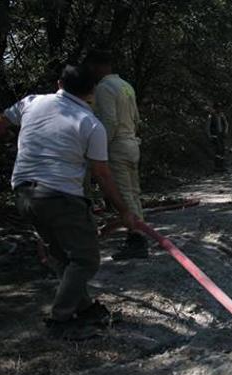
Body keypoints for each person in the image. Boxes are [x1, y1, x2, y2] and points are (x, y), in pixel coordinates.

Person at [0, 65, 139, 339]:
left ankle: (83, 306)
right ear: (92, 92)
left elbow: (2, 121)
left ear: (59, 83)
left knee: (61, 254)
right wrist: (125, 211)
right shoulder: (89, 123)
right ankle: (61, 317)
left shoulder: (32, 102)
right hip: (60, 197)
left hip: (24, 193)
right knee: (86, 259)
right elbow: (101, 174)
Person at [84, 49, 148, 260]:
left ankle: (136, 239)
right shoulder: (126, 86)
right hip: (131, 143)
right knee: (133, 191)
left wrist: (99, 148)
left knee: (123, 194)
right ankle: (139, 233)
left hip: (118, 146)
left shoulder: (104, 88)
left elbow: (109, 121)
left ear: (96, 66)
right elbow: (137, 118)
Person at [206, 103, 229, 172]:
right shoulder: (211, 116)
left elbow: (226, 124)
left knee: (222, 150)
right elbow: (207, 127)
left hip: (221, 135)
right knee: (218, 151)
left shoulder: (222, 116)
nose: (219, 109)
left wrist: (225, 132)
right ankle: (217, 167)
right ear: (214, 109)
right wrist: (209, 136)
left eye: (220, 108)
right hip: (214, 135)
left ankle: (222, 166)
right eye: (218, 108)